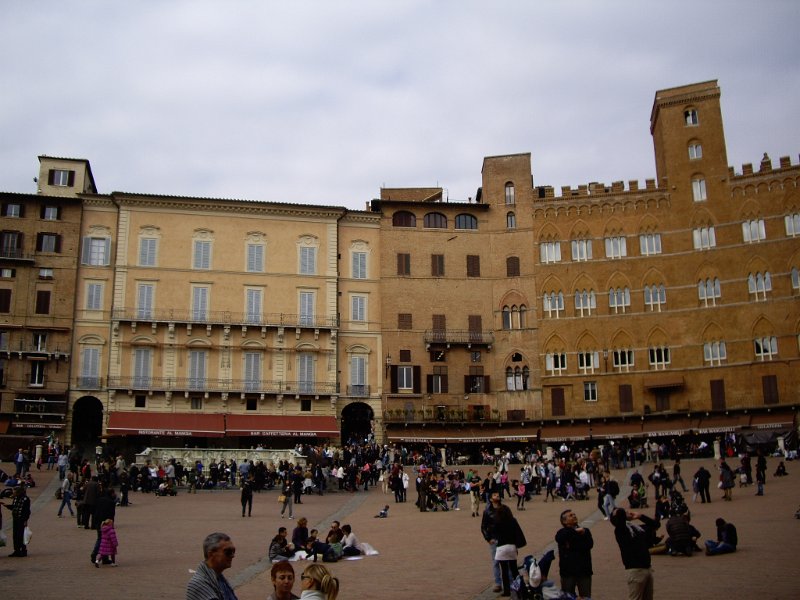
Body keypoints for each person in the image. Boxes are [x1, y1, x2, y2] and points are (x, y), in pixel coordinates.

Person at [610, 508, 656, 600]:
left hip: (647, 568)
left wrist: (641, 516)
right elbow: (620, 515)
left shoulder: (636, 528)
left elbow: (655, 525)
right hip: (635, 571)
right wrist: (618, 511)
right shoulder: (620, 530)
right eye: (624, 512)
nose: (627, 512)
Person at [186, 532, 238, 600]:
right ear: (211, 554)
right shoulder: (199, 584)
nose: (232, 556)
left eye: (233, 551)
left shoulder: (219, 578)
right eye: (228, 552)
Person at [555, 509, 593, 599]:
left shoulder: (585, 531)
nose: (574, 516)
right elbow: (560, 538)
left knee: (586, 597)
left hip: (584, 571)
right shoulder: (562, 533)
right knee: (568, 597)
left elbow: (589, 545)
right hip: (568, 572)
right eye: (571, 515)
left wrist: (574, 540)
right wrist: (576, 533)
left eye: (574, 514)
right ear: (564, 521)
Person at [493, 503, 525, 596]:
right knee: (514, 569)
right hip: (511, 546)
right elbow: (518, 533)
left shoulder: (497, 521)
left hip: (501, 547)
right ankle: (518, 588)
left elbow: (494, 533)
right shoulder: (512, 520)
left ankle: (506, 591)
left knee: (504, 571)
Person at [480, 491, 503, 593]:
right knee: (496, 562)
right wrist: (488, 538)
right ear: (490, 499)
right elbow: (483, 526)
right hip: (494, 539)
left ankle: (510, 583)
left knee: (507, 562)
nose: (497, 496)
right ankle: (498, 583)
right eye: (494, 495)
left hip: (504, 538)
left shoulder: (504, 509)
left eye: (498, 495)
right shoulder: (487, 511)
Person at [2, 485, 31, 557]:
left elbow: (27, 511)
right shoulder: (15, 498)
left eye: (14, 491)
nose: (13, 492)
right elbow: (14, 507)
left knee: (21, 535)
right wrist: (7, 506)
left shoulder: (25, 499)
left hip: (21, 519)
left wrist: (25, 520)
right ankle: (16, 550)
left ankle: (23, 550)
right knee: (15, 535)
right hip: (15, 519)